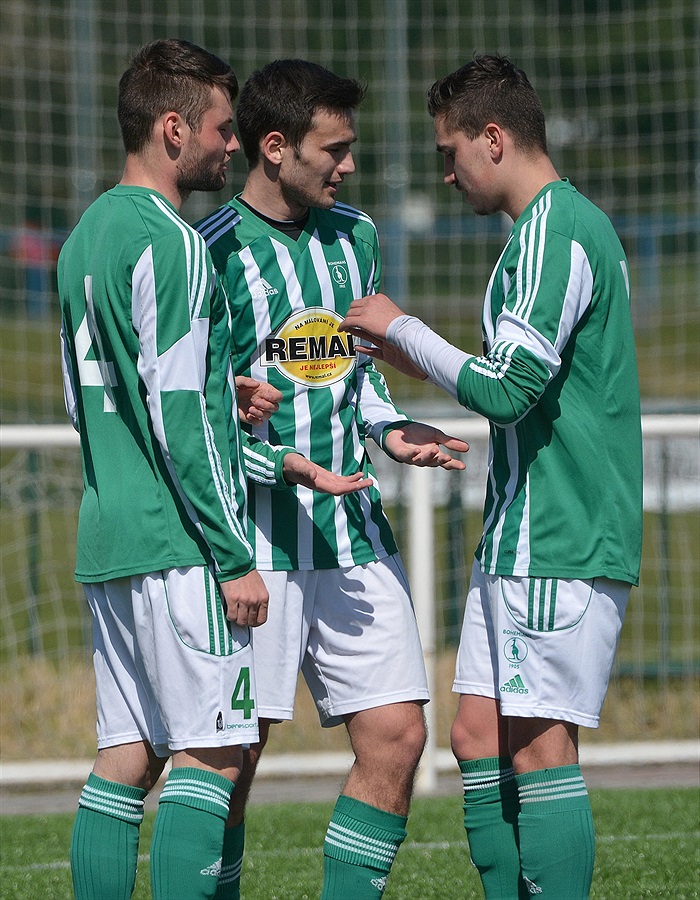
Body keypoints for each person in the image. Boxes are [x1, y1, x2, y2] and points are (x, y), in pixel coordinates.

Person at [58, 40, 370, 900]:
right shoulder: (178, 242)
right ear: (172, 129)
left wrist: (212, 385)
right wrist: (233, 555)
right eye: (222, 130)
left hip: (109, 530)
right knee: (215, 751)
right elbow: (178, 418)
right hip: (178, 538)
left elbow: (113, 389)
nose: (231, 147)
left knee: (126, 755)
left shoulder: (85, 236)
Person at [340, 54, 643, 899]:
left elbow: (511, 392)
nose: (446, 171)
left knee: (542, 748)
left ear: (495, 138)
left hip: (563, 532)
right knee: (476, 735)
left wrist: (408, 328)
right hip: (521, 534)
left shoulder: (555, 230)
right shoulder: (541, 234)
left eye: (450, 151)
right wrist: (410, 353)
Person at [196, 58, 469, 899]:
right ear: (273, 148)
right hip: (254, 544)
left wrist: (390, 430)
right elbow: (191, 418)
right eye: (333, 150)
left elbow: (356, 373)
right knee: (230, 761)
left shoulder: (356, 236)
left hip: (353, 534)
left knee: (396, 737)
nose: (347, 166)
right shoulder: (209, 253)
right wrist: (264, 454)